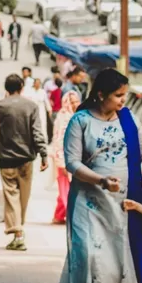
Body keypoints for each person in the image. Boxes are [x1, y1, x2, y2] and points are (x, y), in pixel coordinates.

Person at [56, 68, 142, 283]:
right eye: (118, 95)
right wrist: (101, 180)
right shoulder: (80, 121)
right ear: (101, 94)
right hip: (88, 203)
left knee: (118, 259)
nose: (122, 101)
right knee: (93, 259)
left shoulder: (128, 120)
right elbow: (73, 162)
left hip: (122, 204)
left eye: (125, 96)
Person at [0, 74, 48, 251]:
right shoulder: (31, 106)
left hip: (7, 158)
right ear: (22, 87)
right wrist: (43, 154)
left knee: (11, 197)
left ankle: (17, 233)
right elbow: (37, 131)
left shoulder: (0, 106)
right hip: (26, 159)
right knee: (23, 198)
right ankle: (19, 232)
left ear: (6, 88)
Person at [51, 91, 80, 224]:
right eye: (72, 102)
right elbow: (59, 140)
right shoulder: (63, 118)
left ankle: (58, 216)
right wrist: (61, 162)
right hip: (63, 160)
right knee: (67, 190)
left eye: (76, 101)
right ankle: (73, 217)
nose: (74, 104)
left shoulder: (75, 116)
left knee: (66, 189)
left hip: (73, 160)